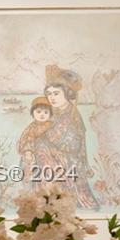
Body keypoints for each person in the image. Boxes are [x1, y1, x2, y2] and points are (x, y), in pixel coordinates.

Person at [38, 65, 99, 209]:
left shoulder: (72, 116)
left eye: (56, 93)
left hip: (69, 164)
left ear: (67, 94)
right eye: (49, 94)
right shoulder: (51, 113)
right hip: (51, 161)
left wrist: (46, 145)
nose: (52, 98)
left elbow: (74, 146)